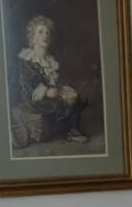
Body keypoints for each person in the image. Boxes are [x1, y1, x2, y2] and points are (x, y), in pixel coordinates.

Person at [10, 14, 88, 147]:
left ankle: (73, 129)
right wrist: (47, 92)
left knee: (76, 96)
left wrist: (60, 87)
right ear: (32, 38)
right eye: (40, 32)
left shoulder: (50, 60)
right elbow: (30, 85)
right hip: (34, 97)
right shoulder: (27, 59)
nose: (45, 35)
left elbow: (52, 81)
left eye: (47, 32)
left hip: (49, 91)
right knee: (60, 104)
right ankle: (68, 131)